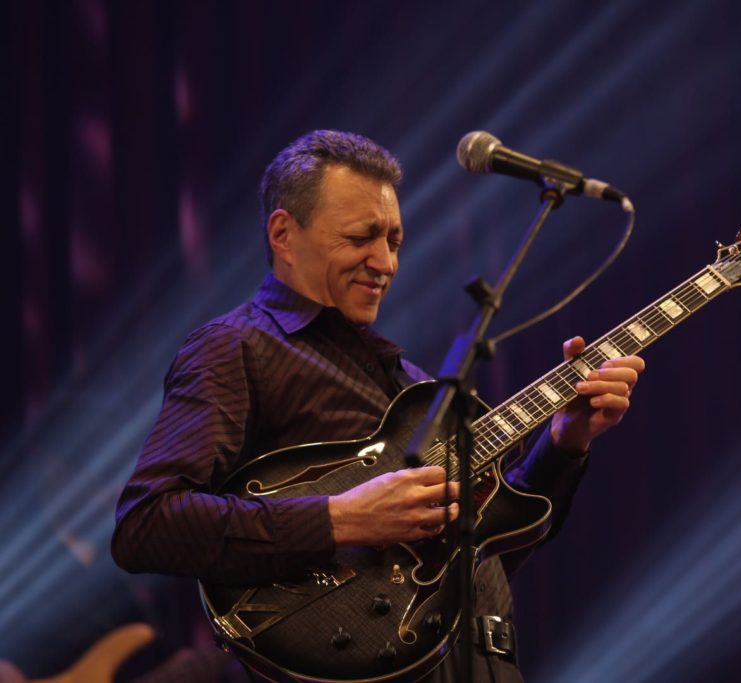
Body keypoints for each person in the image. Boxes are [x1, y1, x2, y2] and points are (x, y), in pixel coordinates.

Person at [111, 130, 644, 682]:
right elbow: (146, 526)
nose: (385, 262)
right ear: (283, 234)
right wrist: (339, 519)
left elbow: (482, 555)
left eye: (394, 240)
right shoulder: (237, 347)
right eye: (361, 237)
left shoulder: (417, 387)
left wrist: (565, 441)